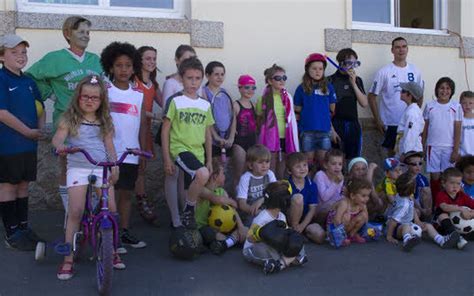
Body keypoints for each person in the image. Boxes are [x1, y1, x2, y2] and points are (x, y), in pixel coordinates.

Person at [27, 16, 103, 213]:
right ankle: (70, 211)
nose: (86, 36)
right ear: (68, 34)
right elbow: (31, 77)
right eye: (81, 32)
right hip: (66, 120)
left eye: (88, 32)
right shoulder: (54, 58)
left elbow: (104, 88)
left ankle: (92, 210)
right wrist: (51, 93)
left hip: (93, 122)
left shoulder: (95, 60)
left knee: (95, 162)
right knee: (67, 165)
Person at [52, 75, 124, 280]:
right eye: (85, 96)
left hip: (101, 167)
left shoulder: (105, 121)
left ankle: (113, 250)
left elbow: (109, 146)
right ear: (78, 97)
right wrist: (60, 147)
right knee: (75, 210)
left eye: (95, 97)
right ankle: (68, 258)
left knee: (111, 208)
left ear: (102, 101)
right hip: (78, 167)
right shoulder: (69, 118)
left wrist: (114, 166)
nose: (90, 101)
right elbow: (58, 138)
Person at [100, 42, 147, 251]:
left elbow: (142, 126)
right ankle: (108, 235)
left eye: (128, 65)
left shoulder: (138, 95)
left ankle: (124, 231)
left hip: (131, 153)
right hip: (108, 153)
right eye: (118, 65)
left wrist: (143, 153)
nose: (123, 70)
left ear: (134, 67)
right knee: (109, 196)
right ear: (110, 67)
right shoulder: (105, 91)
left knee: (126, 194)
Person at [0, 34, 45, 251]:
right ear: (2, 56)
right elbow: (2, 113)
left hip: (29, 145)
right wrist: (27, 131)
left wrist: (41, 127)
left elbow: (40, 106)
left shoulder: (28, 81)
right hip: (8, 145)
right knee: (8, 186)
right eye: (14, 52)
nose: (21, 56)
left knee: (23, 185)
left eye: (24, 52)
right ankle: (12, 233)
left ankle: (24, 228)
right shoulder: (1, 79)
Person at [161, 57, 213, 229]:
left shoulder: (205, 105)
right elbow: (165, 130)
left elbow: (208, 134)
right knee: (202, 174)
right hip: (180, 149)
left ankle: (187, 218)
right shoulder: (175, 101)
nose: (194, 82)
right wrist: (167, 158)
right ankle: (187, 211)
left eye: (198, 78)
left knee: (193, 187)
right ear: (182, 78)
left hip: (198, 152)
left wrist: (210, 159)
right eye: (189, 78)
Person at [368, 37, 424, 157]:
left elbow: (420, 95)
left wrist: (417, 115)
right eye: (397, 47)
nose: (401, 50)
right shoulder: (384, 71)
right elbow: (371, 96)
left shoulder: (415, 71)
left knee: (410, 155)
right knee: (393, 158)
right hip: (391, 122)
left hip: (410, 122)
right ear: (392, 50)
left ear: (408, 49)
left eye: (404, 46)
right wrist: (378, 120)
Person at [161, 44, 197, 228]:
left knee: (184, 178)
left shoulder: (193, 82)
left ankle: (185, 212)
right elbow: (167, 114)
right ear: (177, 60)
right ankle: (174, 217)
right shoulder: (171, 83)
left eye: (192, 58)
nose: (189, 62)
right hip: (174, 137)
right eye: (185, 59)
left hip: (189, 138)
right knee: (172, 175)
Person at [243, 181, 307, 275]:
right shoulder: (261, 218)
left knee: (297, 243)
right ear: (282, 202)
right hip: (254, 248)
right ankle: (286, 261)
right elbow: (250, 239)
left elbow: (285, 236)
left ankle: (278, 264)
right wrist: (261, 234)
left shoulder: (281, 216)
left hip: (275, 247)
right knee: (262, 249)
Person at [386, 172, 460, 252]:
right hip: (395, 228)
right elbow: (394, 221)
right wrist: (389, 236)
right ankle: (407, 240)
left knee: (428, 226)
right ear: (413, 189)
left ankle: (441, 240)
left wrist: (418, 221)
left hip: (407, 223)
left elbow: (412, 209)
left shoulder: (403, 195)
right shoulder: (404, 204)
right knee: (406, 226)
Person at [133, 46, 163, 226]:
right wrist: (154, 115)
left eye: (154, 59)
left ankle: (140, 199)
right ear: (140, 60)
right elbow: (136, 108)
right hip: (133, 129)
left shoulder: (154, 84)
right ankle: (139, 200)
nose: (152, 62)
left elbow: (164, 103)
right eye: (148, 58)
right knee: (133, 167)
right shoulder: (133, 81)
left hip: (145, 129)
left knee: (141, 167)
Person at [294, 53, 338, 171]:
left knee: (324, 164)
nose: (317, 71)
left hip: (324, 131)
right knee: (307, 165)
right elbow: (297, 109)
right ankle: (309, 187)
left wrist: (331, 129)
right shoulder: (301, 88)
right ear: (307, 69)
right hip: (307, 132)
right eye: (314, 68)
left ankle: (321, 188)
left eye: (321, 69)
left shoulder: (328, 87)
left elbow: (332, 109)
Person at [422, 77, 462, 203]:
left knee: (448, 177)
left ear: (452, 91)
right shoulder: (430, 106)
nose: (444, 91)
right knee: (435, 176)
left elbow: (457, 129)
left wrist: (455, 150)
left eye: (448, 88)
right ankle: (435, 204)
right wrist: (422, 146)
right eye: (442, 88)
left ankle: (447, 203)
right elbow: (425, 128)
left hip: (449, 147)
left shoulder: (456, 106)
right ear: (437, 89)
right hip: (432, 146)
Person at [196, 159, 247, 255]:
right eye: (223, 174)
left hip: (224, 227)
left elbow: (233, 210)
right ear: (215, 176)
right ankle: (229, 241)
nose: (225, 176)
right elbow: (217, 199)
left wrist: (241, 227)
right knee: (209, 233)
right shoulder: (201, 190)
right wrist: (231, 201)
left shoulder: (221, 191)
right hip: (204, 227)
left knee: (245, 231)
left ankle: (224, 244)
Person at [256, 64, 299, 179]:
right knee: (271, 167)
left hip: (285, 137)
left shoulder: (287, 97)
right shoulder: (263, 99)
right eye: (278, 78)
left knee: (283, 167)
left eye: (284, 78)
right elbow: (259, 120)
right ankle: (271, 190)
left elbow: (291, 118)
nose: (282, 81)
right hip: (270, 137)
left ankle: (280, 190)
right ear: (270, 81)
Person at [329, 48, 368, 160]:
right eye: (348, 63)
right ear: (340, 63)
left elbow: (364, 103)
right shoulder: (330, 81)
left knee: (354, 159)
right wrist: (331, 129)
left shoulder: (358, 80)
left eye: (355, 64)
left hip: (353, 124)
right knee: (335, 160)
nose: (351, 67)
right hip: (336, 124)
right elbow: (325, 109)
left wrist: (354, 84)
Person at [286, 152, 325, 244]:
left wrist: (302, 226)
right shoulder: (286, 184)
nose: (302, 169)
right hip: (290, 219)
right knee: (298, 198)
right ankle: (294, 232)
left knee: (320, 236)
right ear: (289, 170)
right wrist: (295, 225)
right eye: (298, 166)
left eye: (304, 165)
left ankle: (301, 232)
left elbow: (312, 209)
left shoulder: (312, 185)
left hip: (305, 220)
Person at [202, 61, 236, 162]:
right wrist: (216, 136)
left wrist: (231, 137)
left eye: (222, 74)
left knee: (223, 170)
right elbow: (207, 118)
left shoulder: (226, 93)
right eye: (216, 74)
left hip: (226, 140)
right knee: (213, 169)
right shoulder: (204, 92)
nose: (220, 77)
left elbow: (233, 117)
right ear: (208, 75)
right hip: (211, 140)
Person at [236, 144, 277, 226]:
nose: (265, 165)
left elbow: (276, 193)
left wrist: (262, 200)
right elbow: (242, 204)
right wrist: (258, 212)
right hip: (251, 214)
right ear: (251, 165)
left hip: (268, 210)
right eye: (260, 162)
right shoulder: (246, 178)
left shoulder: (269, 174)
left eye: (267, 162)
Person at [434, 167, 474, 249]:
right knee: (443, 215)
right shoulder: (441, 195)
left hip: (461, 227)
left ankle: (460, 237)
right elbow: (445, 207)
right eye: (452, 183)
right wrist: (461, 209)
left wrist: (471, 213)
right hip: (442, 226)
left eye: (458, 183)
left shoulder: (462, 196)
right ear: (443, 183)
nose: (455, 186)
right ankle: (455, 236)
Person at [326, 177, 371, 246]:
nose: (366, 199)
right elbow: (337, 220)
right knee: (346, 216)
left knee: (363, 215)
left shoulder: (362, 205)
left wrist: (369, 231)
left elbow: (366, 220)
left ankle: (352, 235)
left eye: (368, 196)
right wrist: (340, 235)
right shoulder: (344, 203)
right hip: (334, 228)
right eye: (363, 196)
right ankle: (340, 238)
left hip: (347, 226)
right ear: (352, 196)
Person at [232, 74, 258, 192]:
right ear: (240, 88)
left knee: (249, 173)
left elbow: (256, 124)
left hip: (252, 142)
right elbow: (231, 126)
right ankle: (237, 201)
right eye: (247, 87)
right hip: (239, 143)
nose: (250, 90)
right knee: (239, 173)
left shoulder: (253, 104)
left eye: (253, 88)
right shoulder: (236, 105)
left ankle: (246, 198)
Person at [313, 149, 344, 226]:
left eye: (340, 164)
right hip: (320, 211)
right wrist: (335, 182)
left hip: (334, 208)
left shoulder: (340, 176)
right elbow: (324, 198)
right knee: (343, 203)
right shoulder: (319, 175)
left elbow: (337, 195)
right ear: (325, 165)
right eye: (334, 164)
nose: (337, 167)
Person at [401, 151, 432, 221]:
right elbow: (408, 197)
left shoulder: (422, 178)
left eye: (420, 163)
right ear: (407, 165)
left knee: (427, 190)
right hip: (405, 203)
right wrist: (420, 209)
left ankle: (426, 216)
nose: (418, 166)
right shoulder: (403, 178)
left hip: (417, 203)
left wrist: (427, 210)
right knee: (417, 212)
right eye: (414, 164)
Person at [396, 82, 424, 155]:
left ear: (410, 95)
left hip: (411, 153)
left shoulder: (412, 112)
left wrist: (406, 154)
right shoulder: (410, 109)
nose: (400, 93)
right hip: (407, 150)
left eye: (403, 91)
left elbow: (411, 134)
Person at [459, 91, 474, 156]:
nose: (467, 106)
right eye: (464, 103)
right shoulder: (458, 119)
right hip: (462, 155)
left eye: (470, 103)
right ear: (460, 103)